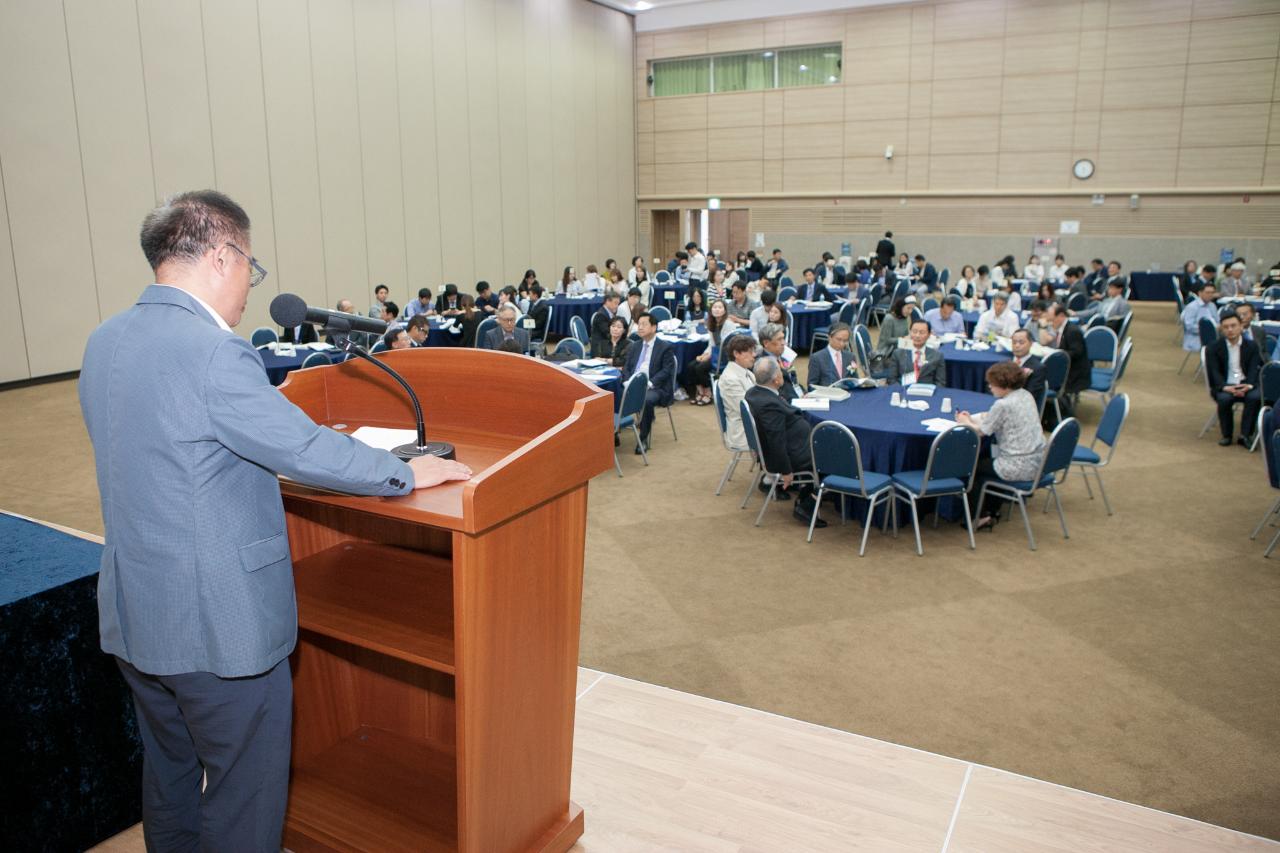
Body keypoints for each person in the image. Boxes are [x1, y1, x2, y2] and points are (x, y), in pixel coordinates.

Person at [78, 190, 472, 852]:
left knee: (170, 780)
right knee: (243, 798)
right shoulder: (214, 352)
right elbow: (303, 448)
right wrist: (407, 471)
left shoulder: (104, 340)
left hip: (138, 616)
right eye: (250, 269)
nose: (247, 292)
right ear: (224, 255)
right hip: (219, 632)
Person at [956, 361, 1046, 531]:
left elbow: (980, 432)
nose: (990, 387)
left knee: (970, 469)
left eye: (992, 384)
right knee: (985, 465)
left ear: (1004, 385)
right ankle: (991, 509)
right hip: (1038, 460)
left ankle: (978, 517)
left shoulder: (1003, 404)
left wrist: (965, 421)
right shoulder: (1025, 395)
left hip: (1017, 465)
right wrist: (977, 418)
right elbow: (999, 419)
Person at [745, 357, 827, 528]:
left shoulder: (754, 392)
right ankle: (806, 503)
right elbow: (776, 441)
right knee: (833, 456)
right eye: (780, 372)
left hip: (794, 443)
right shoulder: (768, 403)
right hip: (793, 453)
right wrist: (786, 471)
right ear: (776, 379)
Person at [621, 312, 677, 453]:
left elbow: (666, 371)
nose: (640, 328)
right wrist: (627, 381)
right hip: (633, 384)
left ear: (654, 327)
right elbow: (627, 367)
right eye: (638, 324)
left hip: (656, 387)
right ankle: (614, 432)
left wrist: (650, 383)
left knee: (645, 400)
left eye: (644, 324)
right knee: (612, 392)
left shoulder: (665, 347)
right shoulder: (635, 346)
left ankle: (643, 438)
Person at [1206, 312, 1262, 447]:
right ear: (1221, 329)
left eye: (1233, 326)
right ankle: (1227, 435)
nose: (1230, 330)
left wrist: (1248, 385)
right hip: (1225, 384)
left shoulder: (1252, 346)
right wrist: (1225, 387)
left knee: (1255, 397)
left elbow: (1254, 369)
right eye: (1226, 327)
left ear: (1241, 326)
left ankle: (1245, 435)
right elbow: (1214, 372)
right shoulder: (1213, 347)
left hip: (1246, 383)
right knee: (1224, 399)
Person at [716, 333, 758, 452]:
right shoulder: (730, 379)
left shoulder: (747, 372)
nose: (754, 355)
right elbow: (745, 411)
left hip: (753, 424)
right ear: (736, 354)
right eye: (749, 352)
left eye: (753, 351)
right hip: (744, 432)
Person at [1047, 302, 1088, 416]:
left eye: (1053, 319)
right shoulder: (1064, 328)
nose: (1051, 323)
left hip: (1075, 373)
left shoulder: (1072, 331)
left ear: (1061, 316)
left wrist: (1058, 354)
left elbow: (1076, 352)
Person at [682, 298, 726, 405]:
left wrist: (708, 356)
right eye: (715, 307)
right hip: (713, 354)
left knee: (700, 368)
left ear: (725, 310)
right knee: (691, 366)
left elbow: (723, 346)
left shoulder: (727, 324)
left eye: (720, 307)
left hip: (722, 356)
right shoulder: (712, 324)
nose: (717, 310)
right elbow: (711, 344)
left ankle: (708, 393)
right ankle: (701, 392)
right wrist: (703, 355)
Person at [890, 319, 946, 386]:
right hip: (904, 392)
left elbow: (940, 382)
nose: (917, 335)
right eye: (914, 331)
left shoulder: (937, 356)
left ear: (929, 335)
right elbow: (892, 379)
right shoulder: (898, 354)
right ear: (910, 332)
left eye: (922, 332)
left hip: (927, 393)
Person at [758, 322, 799, 400]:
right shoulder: (763, 365)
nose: (784, 343)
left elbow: (794, 381)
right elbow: (776, 392)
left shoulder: (782, 356)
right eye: (779, 339)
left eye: (783, 338)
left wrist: (803, 392)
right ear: (766, 343)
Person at [807, 322, 855, 388]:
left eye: (845, 340)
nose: (842, 344)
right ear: (829, 337)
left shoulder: (850, 356)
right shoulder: (817, 358)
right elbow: (811, 386)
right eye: (839, 339)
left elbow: (854, 380)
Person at [1181, 280, 1219, 354]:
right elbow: (1189, 327)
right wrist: (1208, 330)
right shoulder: (1192, 307)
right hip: (1196, 339)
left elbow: (1217, 321)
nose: (1210, 295)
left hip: (1213, 337)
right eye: (1207, 293)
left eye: (1212, 293)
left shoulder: (1212, 306)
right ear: (1200, 293)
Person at [1009, 328, 1046, 403]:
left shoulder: (1037, 368)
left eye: (1021, 342)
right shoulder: (1006, 363)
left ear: (1031, 343)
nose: (1017, 345)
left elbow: (1031, 396)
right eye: (1014, 342)